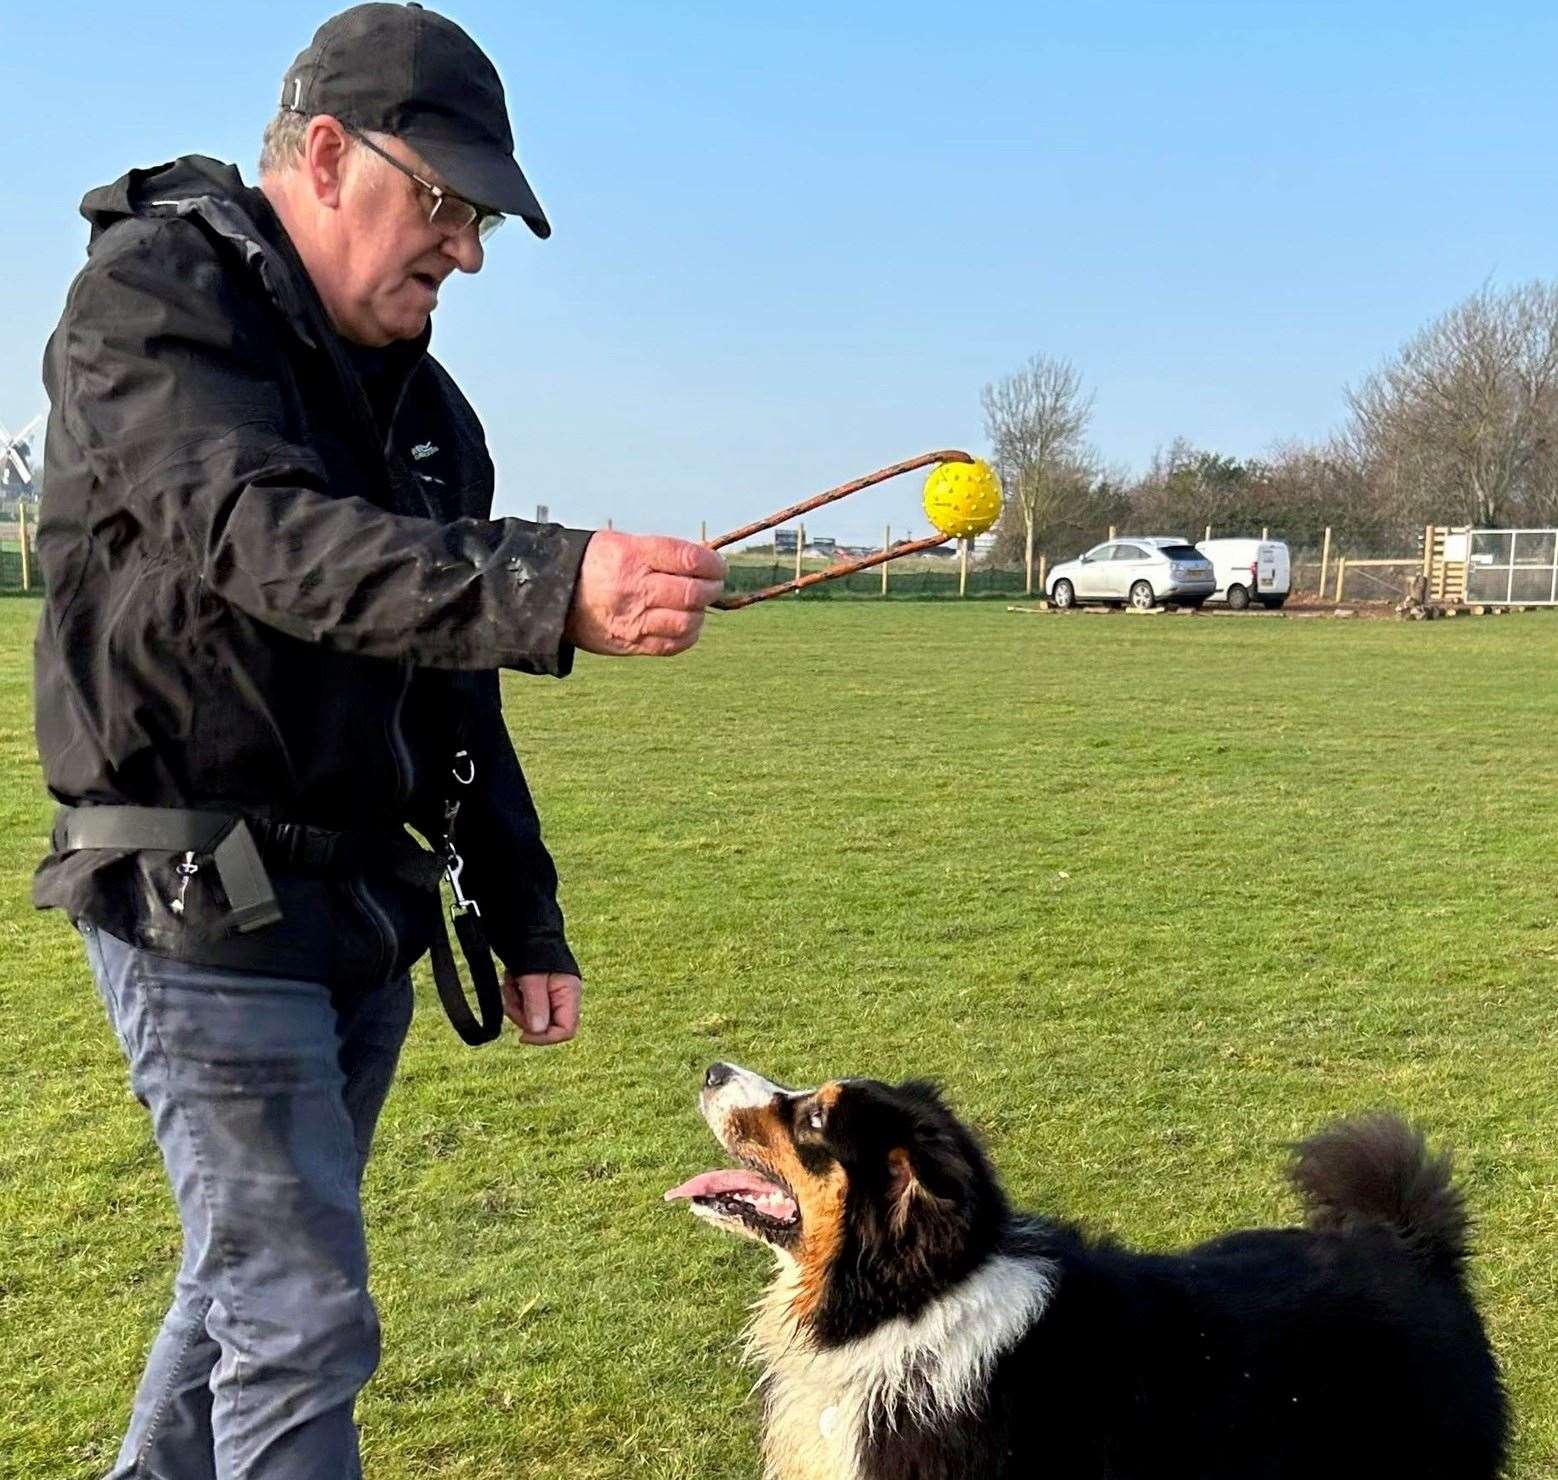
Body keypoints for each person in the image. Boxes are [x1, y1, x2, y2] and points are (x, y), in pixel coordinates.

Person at [31, 4, 727, 1475]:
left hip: (357, 914)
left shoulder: (429, 411)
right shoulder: (155, 304)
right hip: (194, 892)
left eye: (477, 220)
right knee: (295, 1314)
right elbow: (255, 532)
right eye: (446, 204)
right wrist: (547, 580)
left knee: (244, 1297)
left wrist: (521, 907)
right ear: (329, 157)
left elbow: (445, 681)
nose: (464, 251)